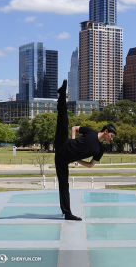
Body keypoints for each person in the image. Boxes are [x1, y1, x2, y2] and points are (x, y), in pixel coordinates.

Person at [55, 79, 117, 221]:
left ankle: (67, 213)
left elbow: (90, 165)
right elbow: (74, 128)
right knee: (63, 121)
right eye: (111, 136)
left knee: (64, 185)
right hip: (62, 145)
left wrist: (76, 160)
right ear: (106, 131)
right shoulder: (90, 132)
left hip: (63, 160)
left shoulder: (99, 150)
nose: (111, 139)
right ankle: (62, 94)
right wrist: (72, 139)